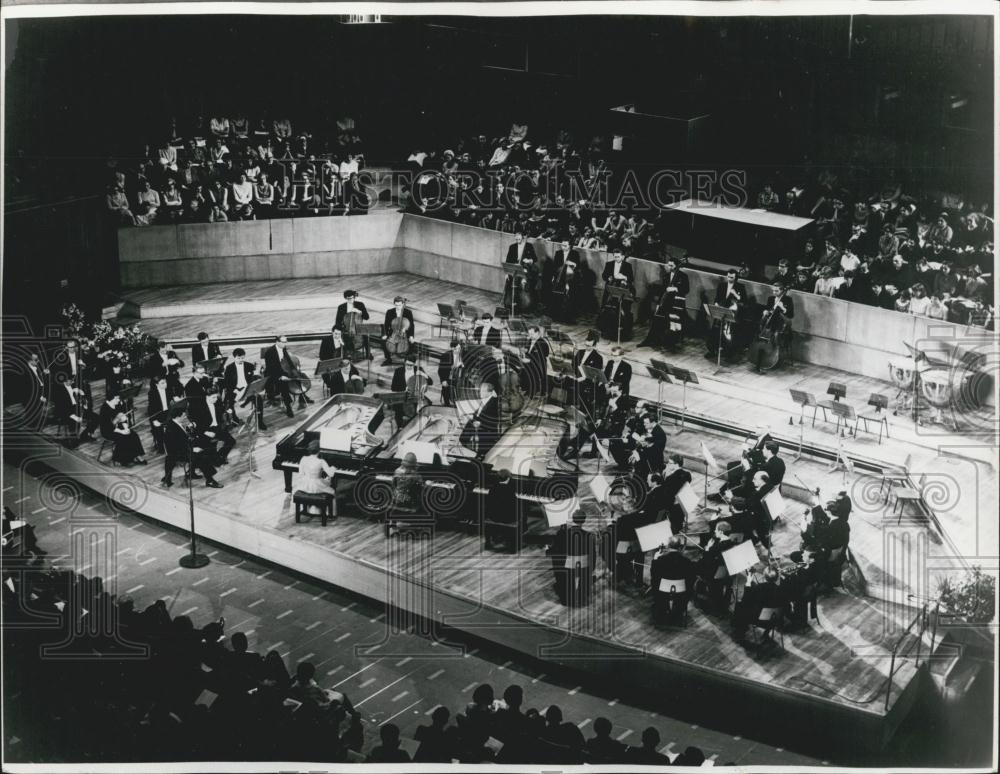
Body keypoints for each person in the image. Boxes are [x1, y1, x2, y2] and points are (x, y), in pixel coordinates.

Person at [161, 407, 222, 489]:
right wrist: (192, 449)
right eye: (184, 416)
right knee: (201, 457)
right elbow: (174, 446)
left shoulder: (177, 422)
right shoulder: (171, 428)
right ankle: (210, 480)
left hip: (185, 446)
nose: (185, 417)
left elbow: (184, 437)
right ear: (177, 417)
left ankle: (192, 473)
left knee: (205, 445)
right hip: (179, 452)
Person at [547, 510, 597, 607]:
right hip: (584, 568)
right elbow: (593, 555)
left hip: (568, 568)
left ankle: (563, 589)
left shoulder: (563, 534)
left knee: (556, 558)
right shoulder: (590, 536)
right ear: (584, 520)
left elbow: (558, 551)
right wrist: (591, 569)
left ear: (572, 519)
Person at [640, 257, 689, 349]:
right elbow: (663, 291)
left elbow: (686, 289)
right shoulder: (666, 275)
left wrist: (676, 288)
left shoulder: (683, 276)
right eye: (668, 265)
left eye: (672, 265)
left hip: (676, 303)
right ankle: (650, 340)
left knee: (671, 324)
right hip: (666, 301)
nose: (669, 267)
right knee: (657, 319)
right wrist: (659, 304)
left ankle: (668, 343)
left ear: (676, 265)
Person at [732, 566, 784, 645]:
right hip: (775, 619)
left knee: (740, 605)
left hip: (759, 620)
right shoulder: (780, 590)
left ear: (764, 576)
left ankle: (740, 633)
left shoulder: (759, 588)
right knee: (770, 609)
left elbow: (745, 600)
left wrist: (748, 583)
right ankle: (766, 632)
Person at [650, 536, 696, 624]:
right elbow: (691, 578)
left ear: (668, 546)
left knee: (655, 582)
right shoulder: (687, 562)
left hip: (663, 590)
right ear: (680, 547)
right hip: (681, 591)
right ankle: (678, 611)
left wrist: (655, 559)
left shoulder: (660, 560)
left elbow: (654, 575)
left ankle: (662, 610)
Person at [98, 393, 147, 466]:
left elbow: (122, 418)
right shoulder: (104, 409)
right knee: (123, 437)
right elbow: (108, 427)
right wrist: (122, 431)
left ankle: (137, 455)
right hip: (108, 431)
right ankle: (123, 460)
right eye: (117, 398)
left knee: (133, 434)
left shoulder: (117, 405)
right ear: (111, 399)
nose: (119, 400)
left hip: (118, 427)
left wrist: (126, 428)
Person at [223, 348, 266, 429]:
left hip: (247, 389)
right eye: (238, 358)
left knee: (259, 399)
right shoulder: (229, 368)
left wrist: (257, 374)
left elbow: (253, 379)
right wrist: (235, 390)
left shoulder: (249, 366)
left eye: (242, 358)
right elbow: (227, 383)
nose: (240, 360)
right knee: (228, 402)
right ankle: (235, 419)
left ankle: (260, 422)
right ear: (234, 357)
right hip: (235, 390)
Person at [190, 392, 236, 465]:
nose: (216, 399)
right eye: (213, 397)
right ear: (207, 397)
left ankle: (221, 455)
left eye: (216, 397)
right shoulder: (199, 407)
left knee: (231, 441)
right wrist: (205, 432)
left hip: (217, 428)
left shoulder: (216, 403)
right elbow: (197, 424)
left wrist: (227, 410)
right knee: (214, 458)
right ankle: (215, 458)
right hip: (205, 430)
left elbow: (222, 409)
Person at [387, 452, 423, 538]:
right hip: (408, 502)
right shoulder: (416, 475)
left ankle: (393, 527)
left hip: (396, 499)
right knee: (421, 501)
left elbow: (394, 484)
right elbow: (420, 489)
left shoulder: (397, 471)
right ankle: (416, 528)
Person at [459, 382, 500, 457]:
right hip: (480, 423)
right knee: (467, 425)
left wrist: (478, 422)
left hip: (487, 430)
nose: (480, 393)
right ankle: (465, 446)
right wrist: (471, 416)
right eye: (480, 390)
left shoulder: (494, 403)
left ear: (490, 392)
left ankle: (471, 451)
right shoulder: (486, 399)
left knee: (468, 429)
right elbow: (479, 412)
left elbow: (492, 421)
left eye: (483, 391)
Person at [485, 469, 519, 551]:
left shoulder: (493, 488)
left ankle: (490, 541)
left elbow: (489, 502)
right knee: (521, 512)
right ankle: (514, 541)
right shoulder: (510, 489)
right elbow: (515, 505)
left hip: (494, 516)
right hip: (508, 519)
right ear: (508, 478)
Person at [335, 290, 370, 355]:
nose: (350, 300)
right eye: (348, 298)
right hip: (346, 328)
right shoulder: (341, 307)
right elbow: (337, 321)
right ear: (345, 298)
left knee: (365, 335)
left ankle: (368, 354)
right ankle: (347, 353)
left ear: (354, 297)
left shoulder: (360, 304)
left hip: (358, 328)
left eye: (352, 298)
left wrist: (359, 312)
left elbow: (367, 317)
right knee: (345, 337)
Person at [382, 296, 415, 365]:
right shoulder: (389, 312)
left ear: (403, 304)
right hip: (393, 332)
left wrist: (411, 336)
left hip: (405, 333)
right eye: (396, 305)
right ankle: (388, 359)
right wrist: (385, 334)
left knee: (411, 342)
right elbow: (386, 325)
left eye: (399, 305)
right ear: (394, 304)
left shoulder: (408, 312)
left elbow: (411, 325)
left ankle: (408, 358)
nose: (398, 307)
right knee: (383, 340)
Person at [521, 325, 550, 399]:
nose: (530, 336)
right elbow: (529, 351)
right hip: (530, 364)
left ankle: (533, 393)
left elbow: (541, 358)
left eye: (532, 334)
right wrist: (524, 352)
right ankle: (528, 390)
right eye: (529, 334)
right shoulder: (530, 340)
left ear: (537, 333)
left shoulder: (543, 343)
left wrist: (530, 360)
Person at [438, 339, 465, 407]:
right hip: (448, 377)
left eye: (460, 348)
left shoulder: (462, 354)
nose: (458, 350)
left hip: (459, 378)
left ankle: (459, 403)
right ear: (452, 348)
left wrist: (462, 365)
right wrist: (443, 380)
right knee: (446, 388)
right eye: (457, 349)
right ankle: (447, 404)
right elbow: (441, 370)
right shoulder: (446, 355)